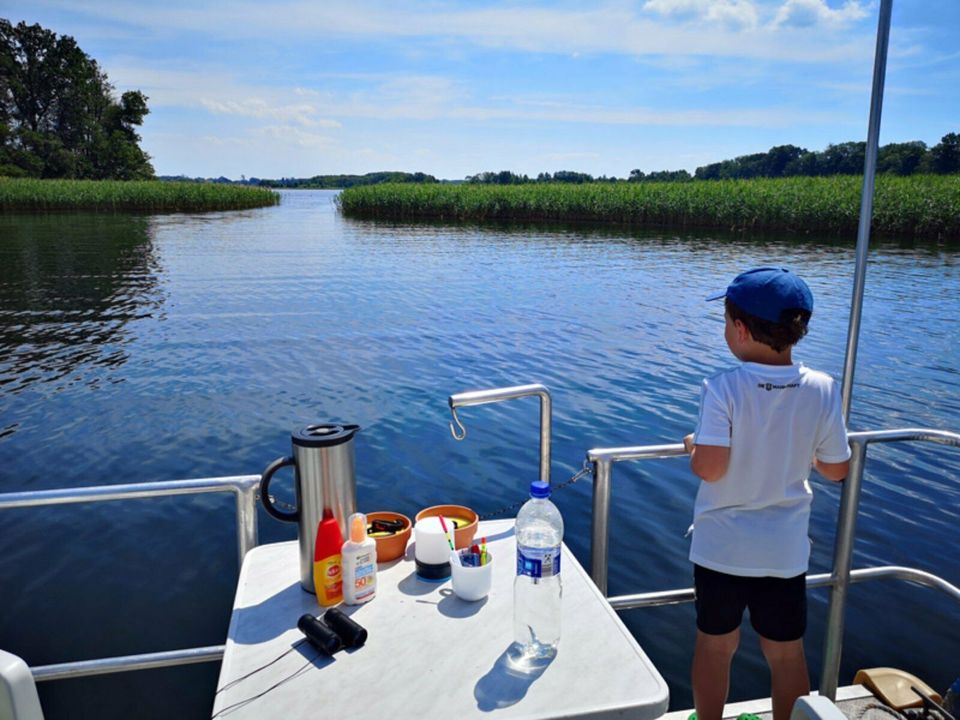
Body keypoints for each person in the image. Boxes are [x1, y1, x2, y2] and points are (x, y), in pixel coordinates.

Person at [682, 267, 851, 720]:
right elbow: (836, 469)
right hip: (784, 550)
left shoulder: (722, 389)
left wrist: (693, 447)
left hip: (722, 550)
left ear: (739, 329)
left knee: (716, 647)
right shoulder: (822, 388)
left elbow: (711, 468)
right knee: (786, 653)